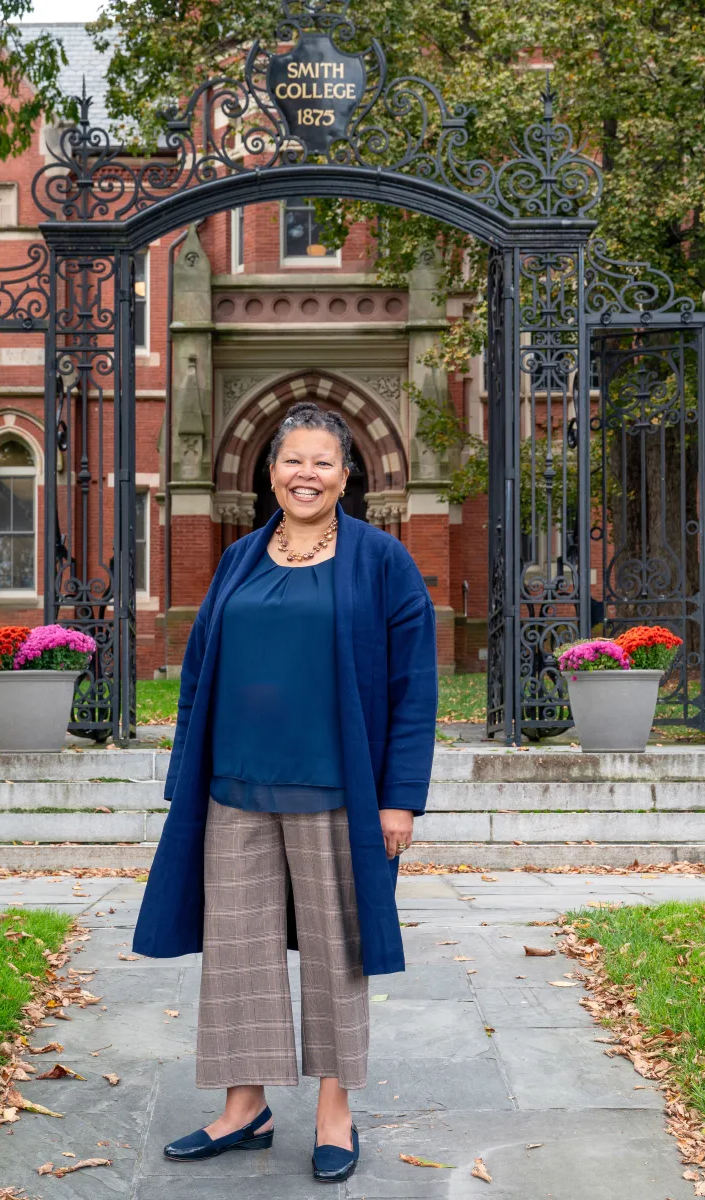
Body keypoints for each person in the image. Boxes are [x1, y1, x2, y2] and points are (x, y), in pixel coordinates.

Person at [133, 401, 438, 1184]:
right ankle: (245, 1106)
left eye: (322, 462)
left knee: (339, 953)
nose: (305, 474)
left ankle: (334, 1111)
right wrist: (186, 781)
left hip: (337, 789)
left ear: (346, 475)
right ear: (271, 471)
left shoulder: (380, 561)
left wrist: (399, 798)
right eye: (292, 460)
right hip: (235, 785)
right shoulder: (239, 558)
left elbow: (414, 688)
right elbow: (200, 668)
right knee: (238, 952)